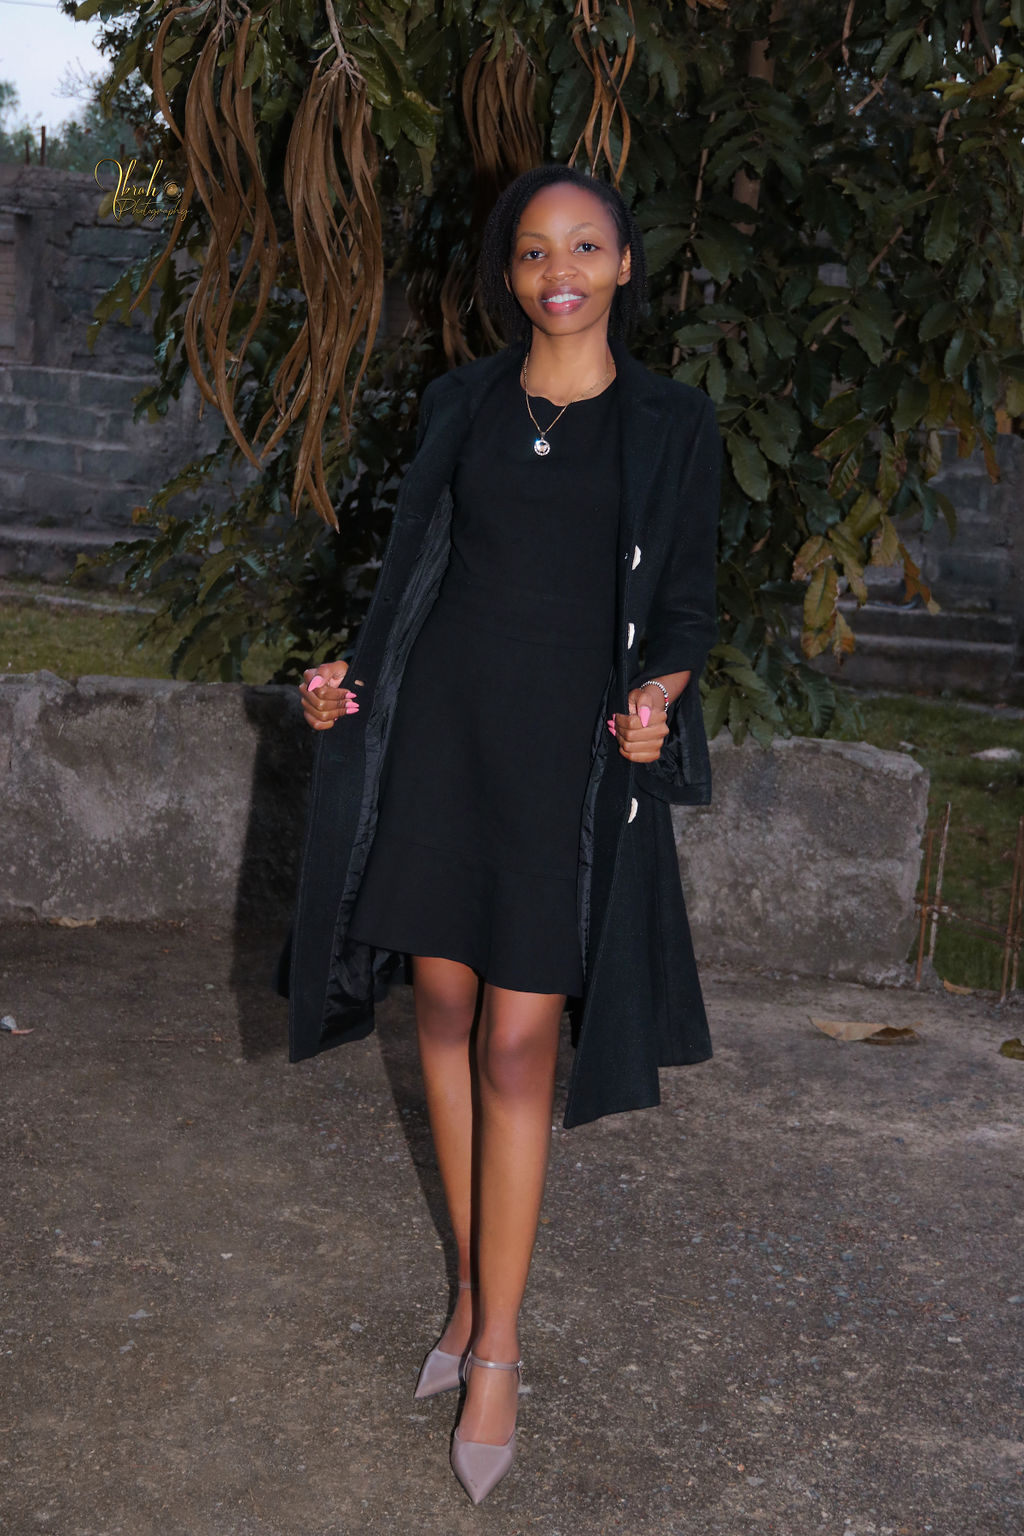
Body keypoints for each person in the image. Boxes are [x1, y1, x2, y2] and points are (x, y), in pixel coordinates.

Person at [287, 164, 721, 1505]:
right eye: (534, 251)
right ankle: (473, 1291)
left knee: (521, 1046)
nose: (559, 271)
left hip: (559, 767)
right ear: (512, 273)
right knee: (441, 1011)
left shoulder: (671, 423)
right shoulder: (462, 402)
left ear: (626, 264)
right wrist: (346, 685)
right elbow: (413, 573)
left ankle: (499, 1352)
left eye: (585, 246)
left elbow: (685, 608)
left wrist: (656, 701)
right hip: (443, 739)